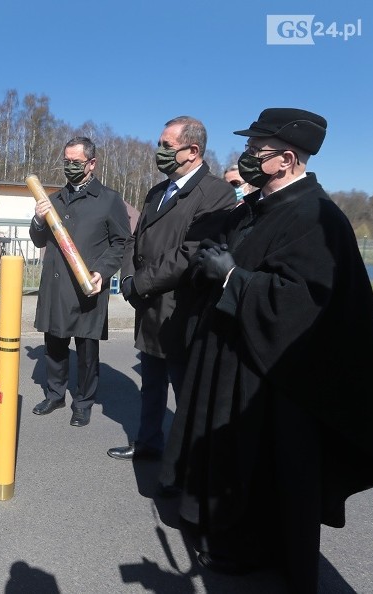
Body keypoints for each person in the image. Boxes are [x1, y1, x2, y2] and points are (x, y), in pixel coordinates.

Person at [160, 108, 373, 592]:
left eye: (255, 151)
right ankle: (213, 526)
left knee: (257, 463)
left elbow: (300, 299)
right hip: (231, 355)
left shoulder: (317, 215)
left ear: (286, 159)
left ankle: (249, 550)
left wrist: (230, 276)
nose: (245, 157)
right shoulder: (258, 206)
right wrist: (213, 263)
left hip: (268, 376)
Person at [107, 117, 235, 460]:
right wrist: (128, 278)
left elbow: (190, 253)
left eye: (166, 146)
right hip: (149, 308)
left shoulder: (216, 193)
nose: (159, 151)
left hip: (181, 310)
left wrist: (141, 282)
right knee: (151, 386)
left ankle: (187, 463)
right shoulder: (157, 191)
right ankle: (148, 443)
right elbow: (136, 240)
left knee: (186, 392)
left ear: (192, 151)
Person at [30, 137, 130, 427]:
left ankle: (83, 402)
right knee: (55, 344)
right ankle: (55, 394)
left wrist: (102, 271)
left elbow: (121, 242)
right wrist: (37, 220)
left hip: (88, 285)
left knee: (86, 350)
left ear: (91, 163)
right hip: (56, 285)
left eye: (76, 162)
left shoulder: (109, 199)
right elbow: (39, 240)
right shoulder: (55, 199)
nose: (69, 167)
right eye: (66, 161)